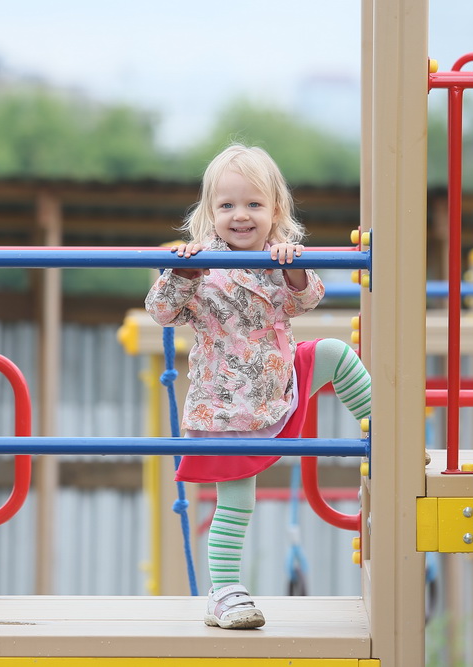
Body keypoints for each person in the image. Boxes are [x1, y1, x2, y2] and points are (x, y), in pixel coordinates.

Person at [145, 144, 373, 629]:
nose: (240, 216)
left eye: (253, 204)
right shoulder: (199, 262)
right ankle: (224, 593)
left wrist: (291, 265)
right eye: (226, 206)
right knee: (237, 501)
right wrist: (183, 269)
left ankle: (383, 424)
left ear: (276, 211)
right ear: (209, 213)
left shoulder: (279, 257)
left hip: (279, 387)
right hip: (227, 407)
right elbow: (161, 311)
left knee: (333, 352)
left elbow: (307, 299)